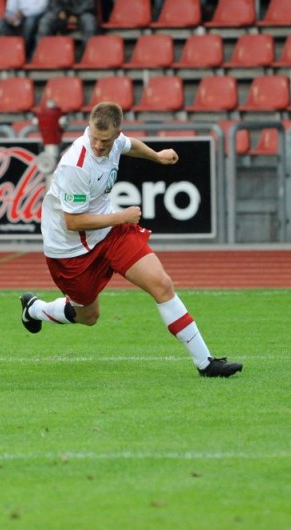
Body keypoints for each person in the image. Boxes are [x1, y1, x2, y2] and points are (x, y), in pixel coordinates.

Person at [19, 101, 243, 378]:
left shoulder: (114, 142)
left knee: (161, 283)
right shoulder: (76, 165)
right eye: (94, 138)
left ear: (116, 132)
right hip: (71, 250)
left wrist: (157, 156)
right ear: (88, 128)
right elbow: (73, 222)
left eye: (105, 140)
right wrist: (121, 217)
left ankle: (206, 363)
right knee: (88, 316)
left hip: (111, 233)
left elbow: (130, 145)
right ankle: (35, 309)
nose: (98, 145)